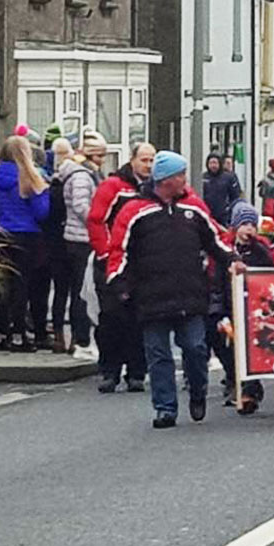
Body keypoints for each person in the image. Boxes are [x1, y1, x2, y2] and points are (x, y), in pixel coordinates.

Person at [107, 151, 240, 429]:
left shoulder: (193, 209)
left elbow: (216, 240)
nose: (185, 180)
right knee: (158, 354)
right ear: (167, 179)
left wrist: (234, 260)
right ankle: (165, 408)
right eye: (181, 175)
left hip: (190, 292)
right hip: (150, 295)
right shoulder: (135, 211)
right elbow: (119, 250)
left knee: (195, 347)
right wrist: (118, 282)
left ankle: (198, 391)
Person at [87, 142, 155, 393]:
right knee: (111, 318)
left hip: (142, 265)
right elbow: (96, 220)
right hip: (112, 264)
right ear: (132, 160)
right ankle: (109, 371)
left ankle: (137, 372)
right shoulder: (113, 186)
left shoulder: (156, 189)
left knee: (140, 318)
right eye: (144, 160)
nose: (148, 165)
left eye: (152, 160)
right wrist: (106, 254)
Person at [0, 136, 50, 351]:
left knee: (3, 284)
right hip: (27, 234)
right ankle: (18, 334)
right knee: (22, 284)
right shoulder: (29, 176)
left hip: (2, 233)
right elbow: (42, 212)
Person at [214, 201, 274, 414]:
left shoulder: (261, 252)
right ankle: (233, 381)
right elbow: (218, 283)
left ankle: (250, 391)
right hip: (231, 308)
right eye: (244, 224)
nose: (248, 229)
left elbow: (270, 276)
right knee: (227, 348)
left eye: (252, 225)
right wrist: (220, 311)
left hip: (254, 309)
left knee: (251, 350)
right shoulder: (225, 252)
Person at [58, 132, 107, 361]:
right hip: (81, 239)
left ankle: (82, 339)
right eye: (99, 156)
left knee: (80, 291)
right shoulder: (81, 176)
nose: (102, 161)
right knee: (82, 292)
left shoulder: (82, 173)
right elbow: (80, 205)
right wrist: (98, 221)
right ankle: (82, 341)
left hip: (78, 237)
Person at [43, 138, 75, 353]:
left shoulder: (51, 186)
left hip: (54, 242)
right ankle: (74, 338)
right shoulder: (74, 181)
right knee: (74, 291)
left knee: (60, 291)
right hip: (72, 241)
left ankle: (58, 336)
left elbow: (46, 215)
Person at [202, 152, 242, 227]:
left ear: (220, 164)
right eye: (211, 163)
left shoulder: (228, 178)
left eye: (215, 163)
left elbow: (235, 196)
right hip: (207, 214)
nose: (213, 165)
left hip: (224, 216)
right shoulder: (203, 178)